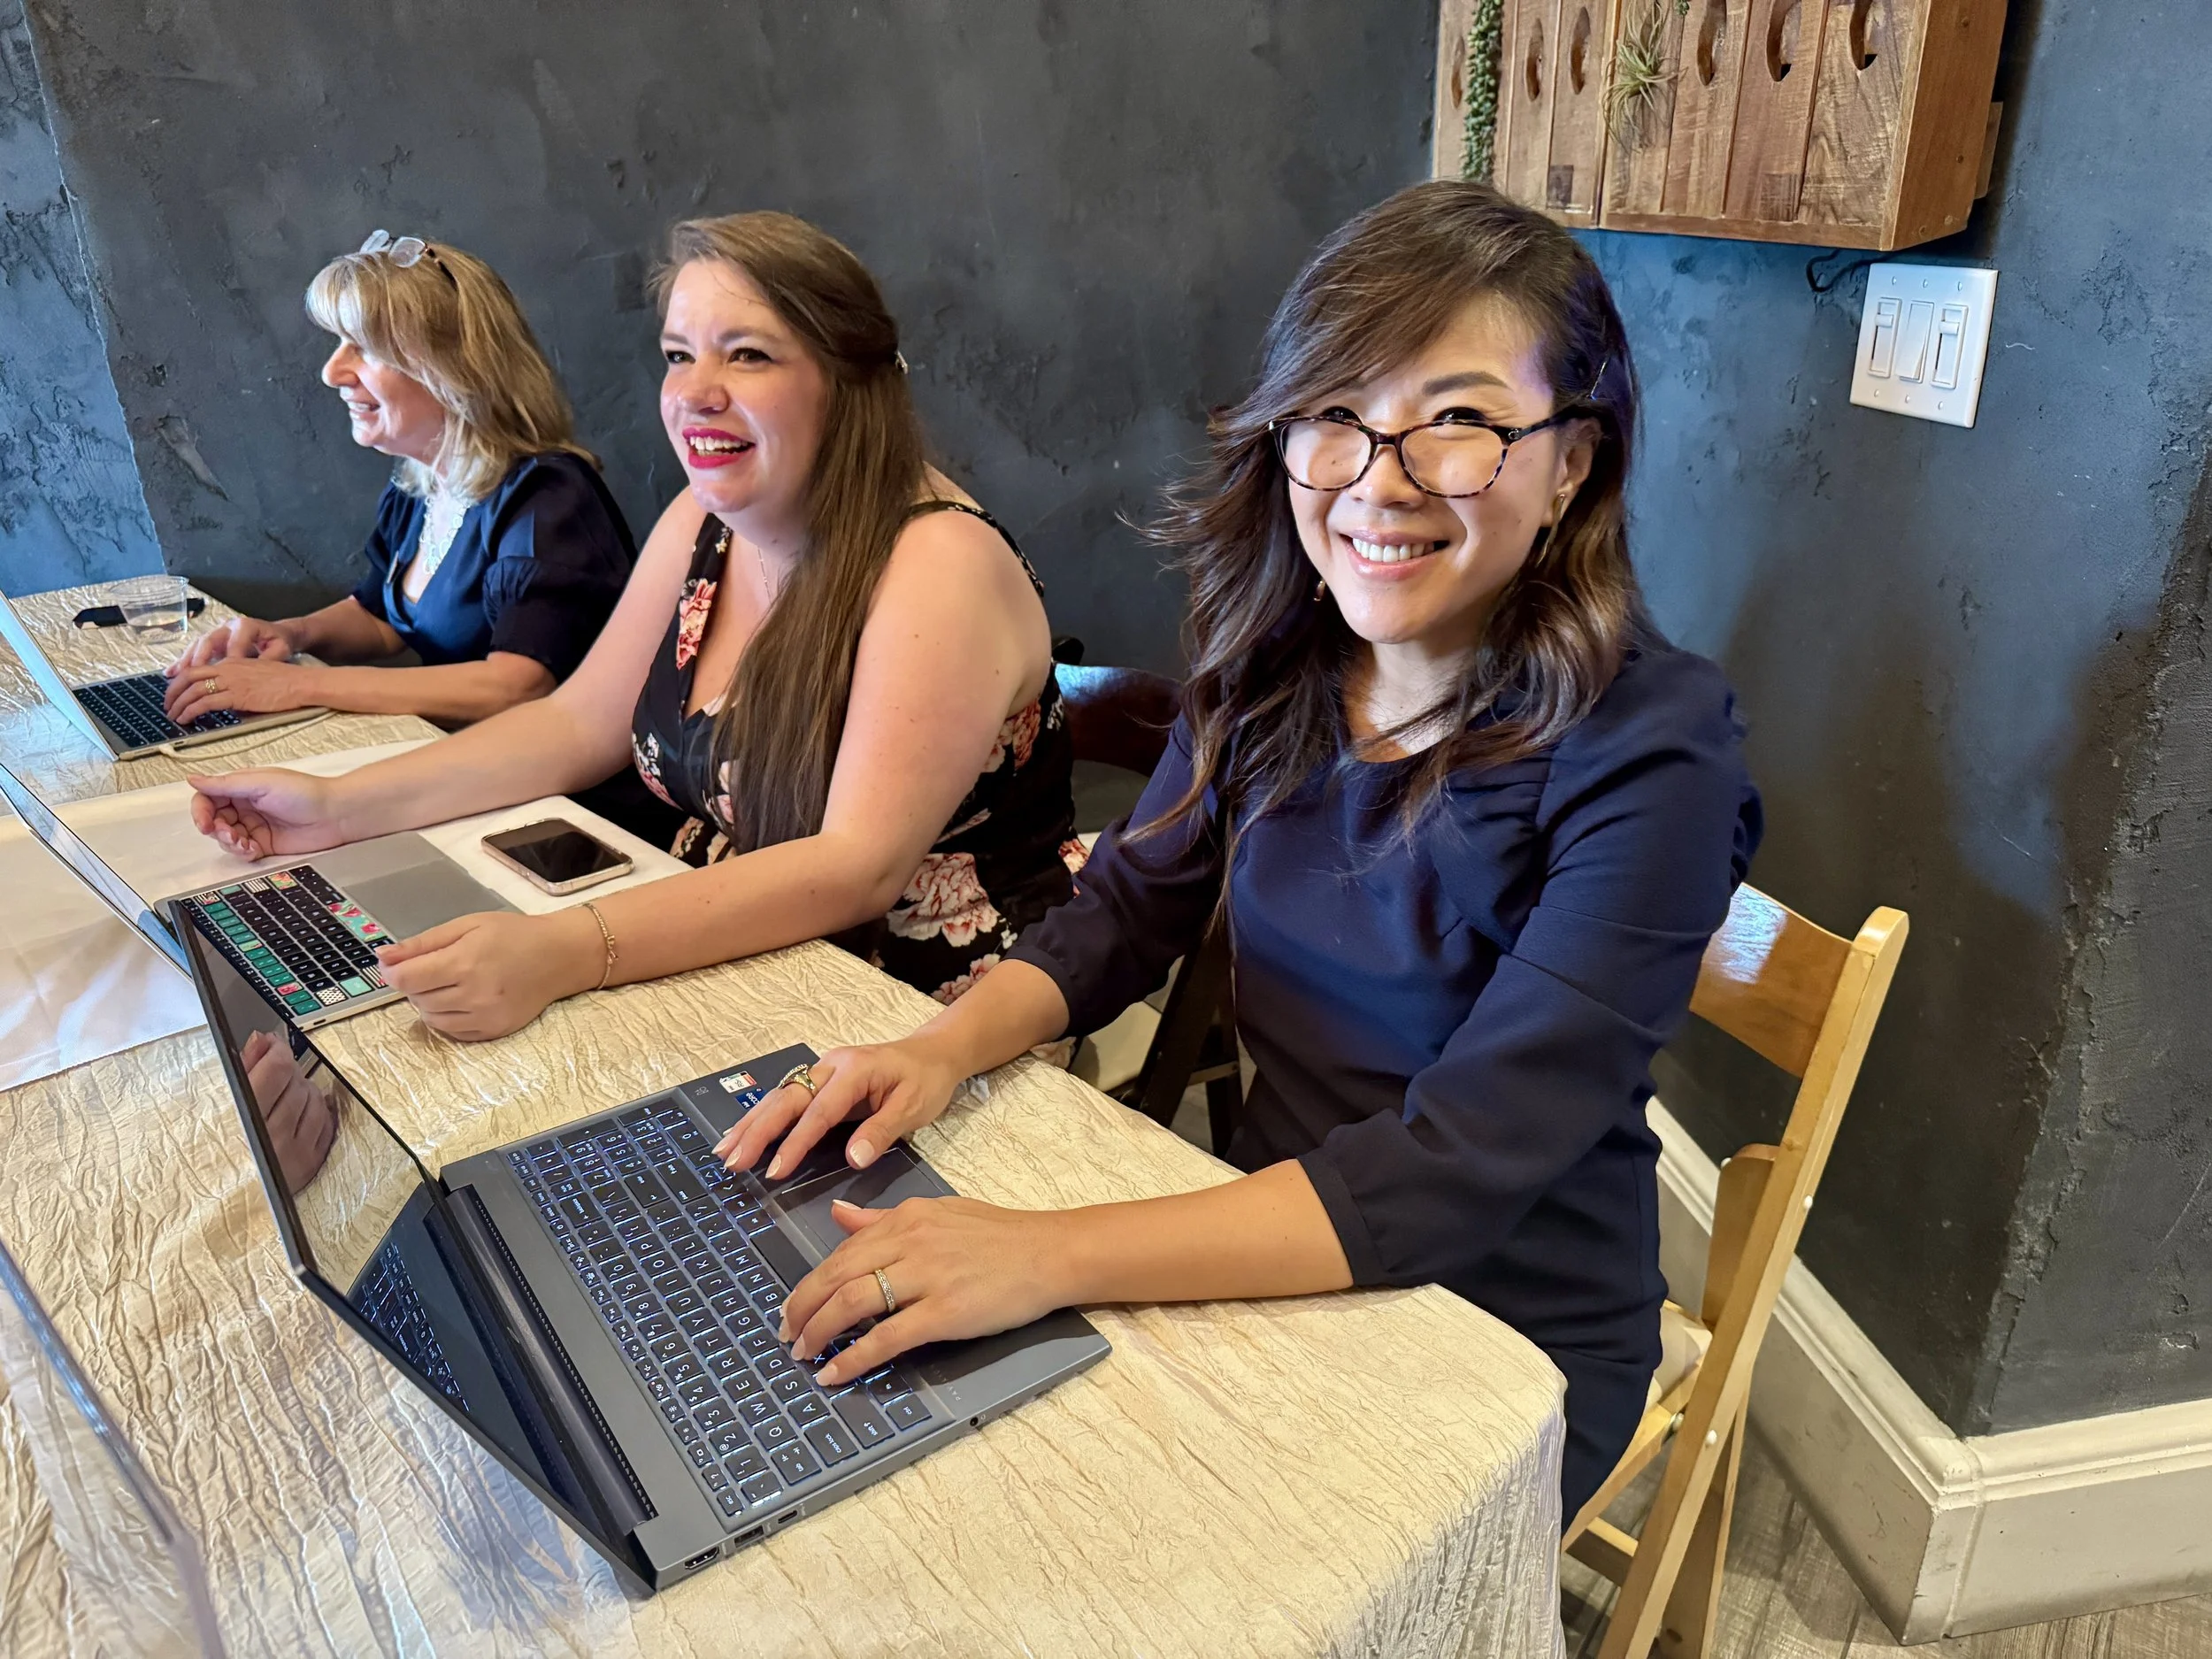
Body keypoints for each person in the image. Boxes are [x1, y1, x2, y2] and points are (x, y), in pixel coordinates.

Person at [714, 181, 1763, 1524]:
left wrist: (1047, 1253)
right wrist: (942, 1045)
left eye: (1458, 421)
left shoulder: (1655, 753)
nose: (1379, 481)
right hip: (1251, 1223)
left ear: (1574, 461)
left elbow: (1451, 1170)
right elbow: (1124, 914)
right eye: (1336, 414)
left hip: (1496, 1333)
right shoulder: (1276, 662)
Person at [186, 211, 1079, 1038]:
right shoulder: (705, 522)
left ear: (851, 381)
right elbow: (577, 722)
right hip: (723, 944)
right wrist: (336, 809)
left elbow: (854, 869)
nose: (695, 393)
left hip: (918, 1014)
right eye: (678, 355)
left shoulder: (938, 564)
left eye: (748, 356)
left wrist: (568, 950)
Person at [164, 232, 636, 730]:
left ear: (455, 369)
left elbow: (516, 687)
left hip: (569, 793)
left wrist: (299, 685)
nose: (332, 372)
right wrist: (290, 634)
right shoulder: (420, 482)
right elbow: (383, 619)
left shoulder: (547, 498)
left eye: (365, 349)